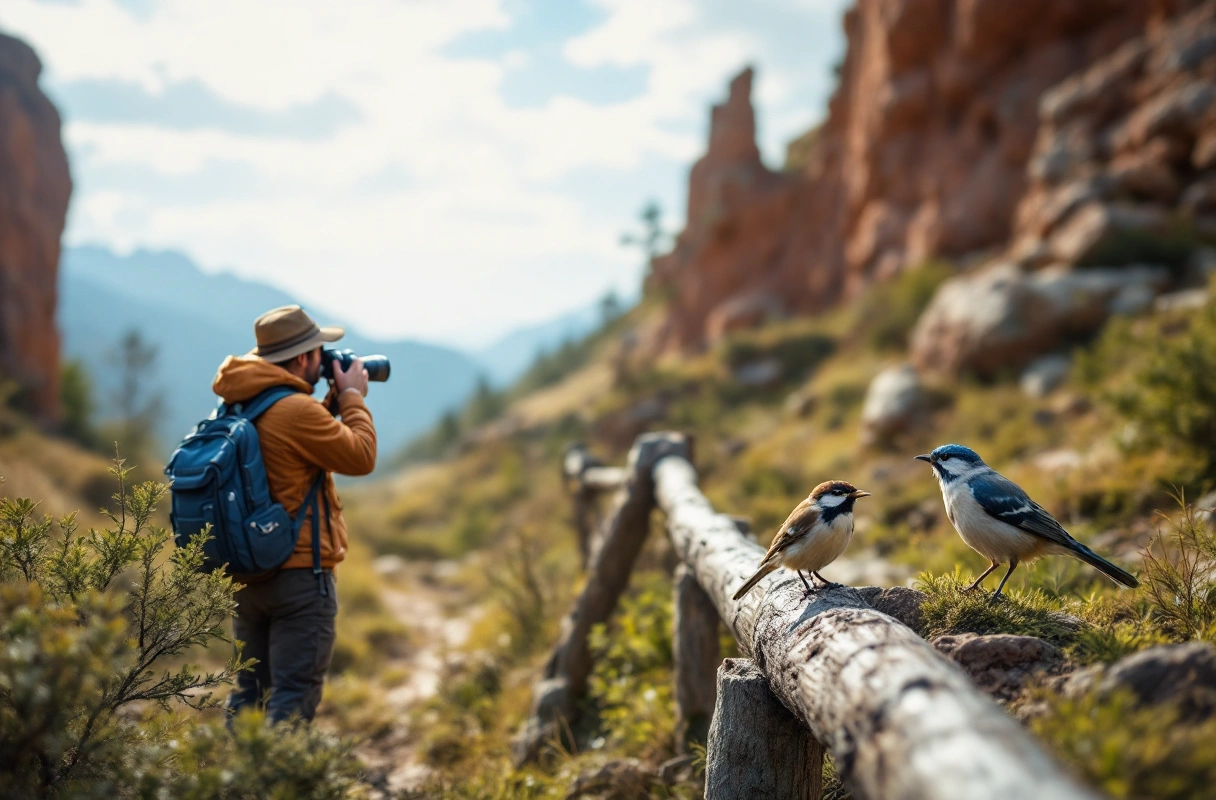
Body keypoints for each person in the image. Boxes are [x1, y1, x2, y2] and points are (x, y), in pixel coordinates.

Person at [212, 304, 377, 723]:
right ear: (303, 358)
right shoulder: (294, 411)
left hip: (249, 575)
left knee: (250, 696)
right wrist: (354, 397)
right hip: (300, 578)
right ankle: (276, 784)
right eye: (320, 353)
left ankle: (236, 782)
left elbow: (289, 448)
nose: (323, 362)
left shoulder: (244, 403)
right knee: (292, 698)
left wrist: (331, 404)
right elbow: (361, 456)